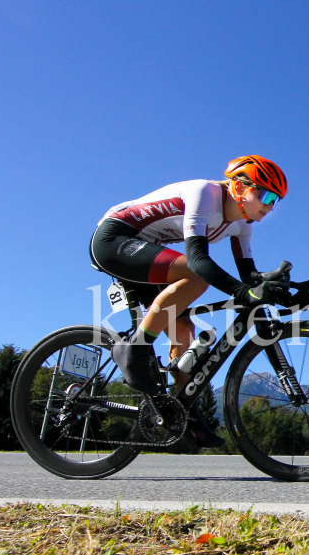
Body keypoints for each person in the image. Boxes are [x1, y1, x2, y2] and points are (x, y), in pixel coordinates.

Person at [89, 155, 294, 447]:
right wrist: (243, 293)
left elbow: (249, 276)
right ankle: (133, 350)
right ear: (238, 186)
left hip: (149, 251)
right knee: (196, 276)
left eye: (276, 199)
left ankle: (183, 412)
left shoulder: (242, 225)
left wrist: (281, 285)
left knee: (184, 330)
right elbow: (198, 260)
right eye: (265, 193)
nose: (269, 205)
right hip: (114, 239)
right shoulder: (205, 194)